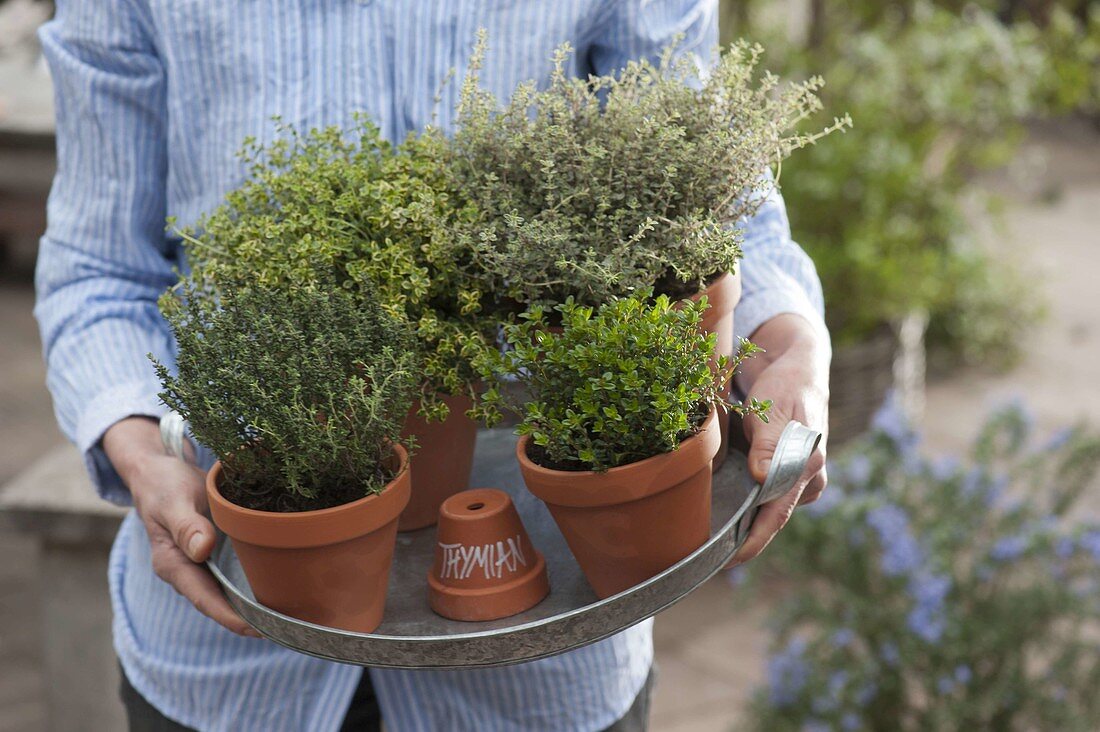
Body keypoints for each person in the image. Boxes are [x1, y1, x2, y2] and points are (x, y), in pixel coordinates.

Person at [35, 1, 829, 729]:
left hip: (546, 649)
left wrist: (789, 339)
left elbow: (715, 212)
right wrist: (141, 457)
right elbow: (99, 268)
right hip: (229, 657)